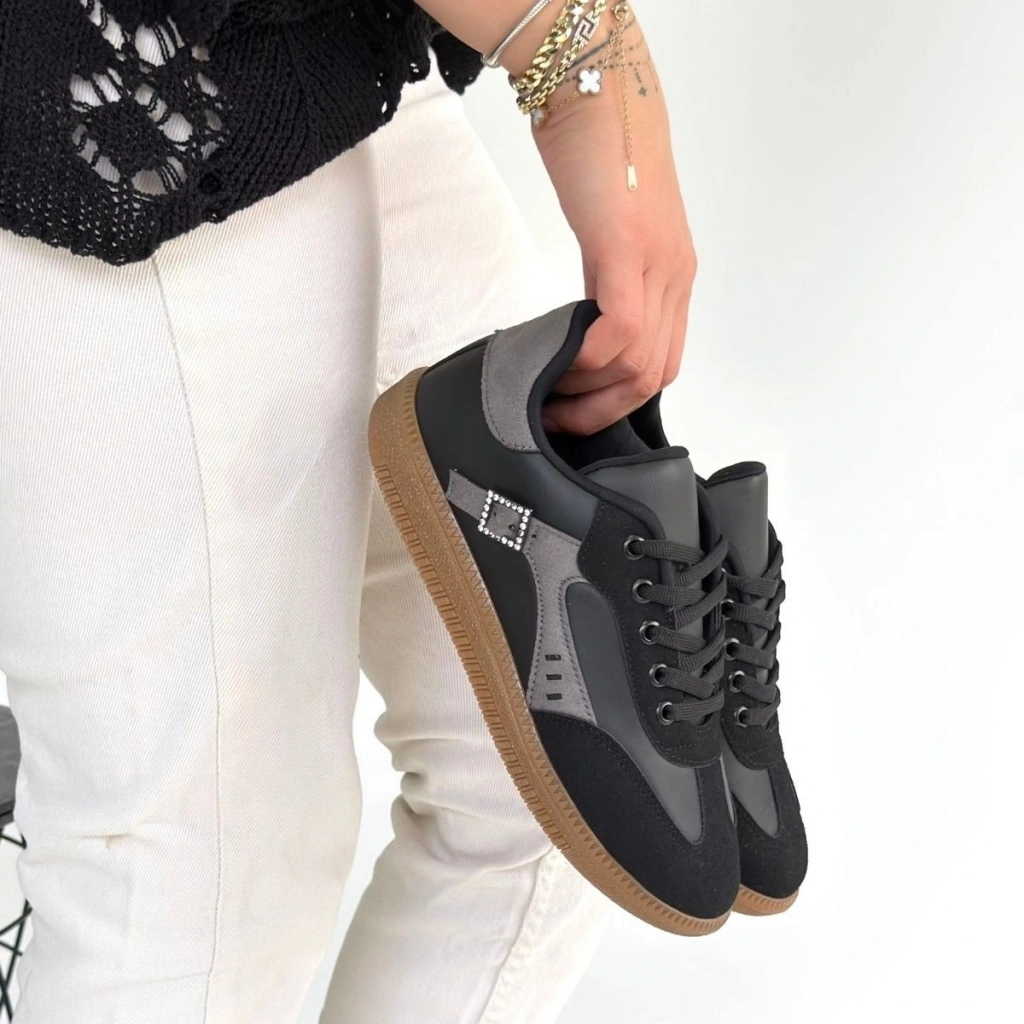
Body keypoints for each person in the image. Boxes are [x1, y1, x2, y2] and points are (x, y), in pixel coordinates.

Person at [0, 1, 696, 1021]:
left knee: (555, 769)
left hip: (326, 40)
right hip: (122, 62)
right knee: (195, 883)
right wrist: (578, 50)